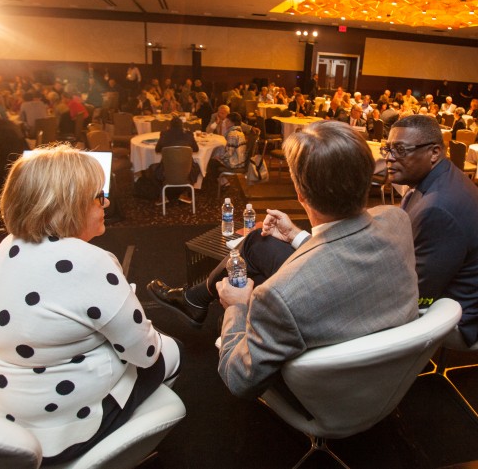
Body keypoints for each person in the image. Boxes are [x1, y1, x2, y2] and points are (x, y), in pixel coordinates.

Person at [149, 121, 420, 398]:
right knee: (257, 241)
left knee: (246, 292)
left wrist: (236, 307)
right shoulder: (396, 219)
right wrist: (296, 236)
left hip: (325, 393)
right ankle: (194, 299)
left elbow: (238, 380)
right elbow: (346, 248)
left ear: (300, 195)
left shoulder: (279, 296)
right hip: (391, 374)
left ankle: (199, 301)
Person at [0, 145, 180, 464]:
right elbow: (145, 353)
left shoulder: (8, 244)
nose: (105, 202)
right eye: (96, 196)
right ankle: (131, 440)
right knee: (172, 350)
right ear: (67, 205)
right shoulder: (89, 262)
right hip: (49, 436)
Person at [385, 115, 478, 345]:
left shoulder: (438, 209)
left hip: (459, 312)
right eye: (388, 148)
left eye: (400, 150)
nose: (390, 158)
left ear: (434, 153)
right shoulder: (442, 175)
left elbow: (416, 293)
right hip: (462, 285)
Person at [206, 113, 246, 189]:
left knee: (211, 162)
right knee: (214, 159)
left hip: (235, 162)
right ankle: (221, 181)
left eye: (227, 121)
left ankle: (224, 182)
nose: (225, 122)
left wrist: (220, 158)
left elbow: (229, 152)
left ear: (232, 123)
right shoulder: (239, 131)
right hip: (239, 158)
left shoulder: (232, 134)